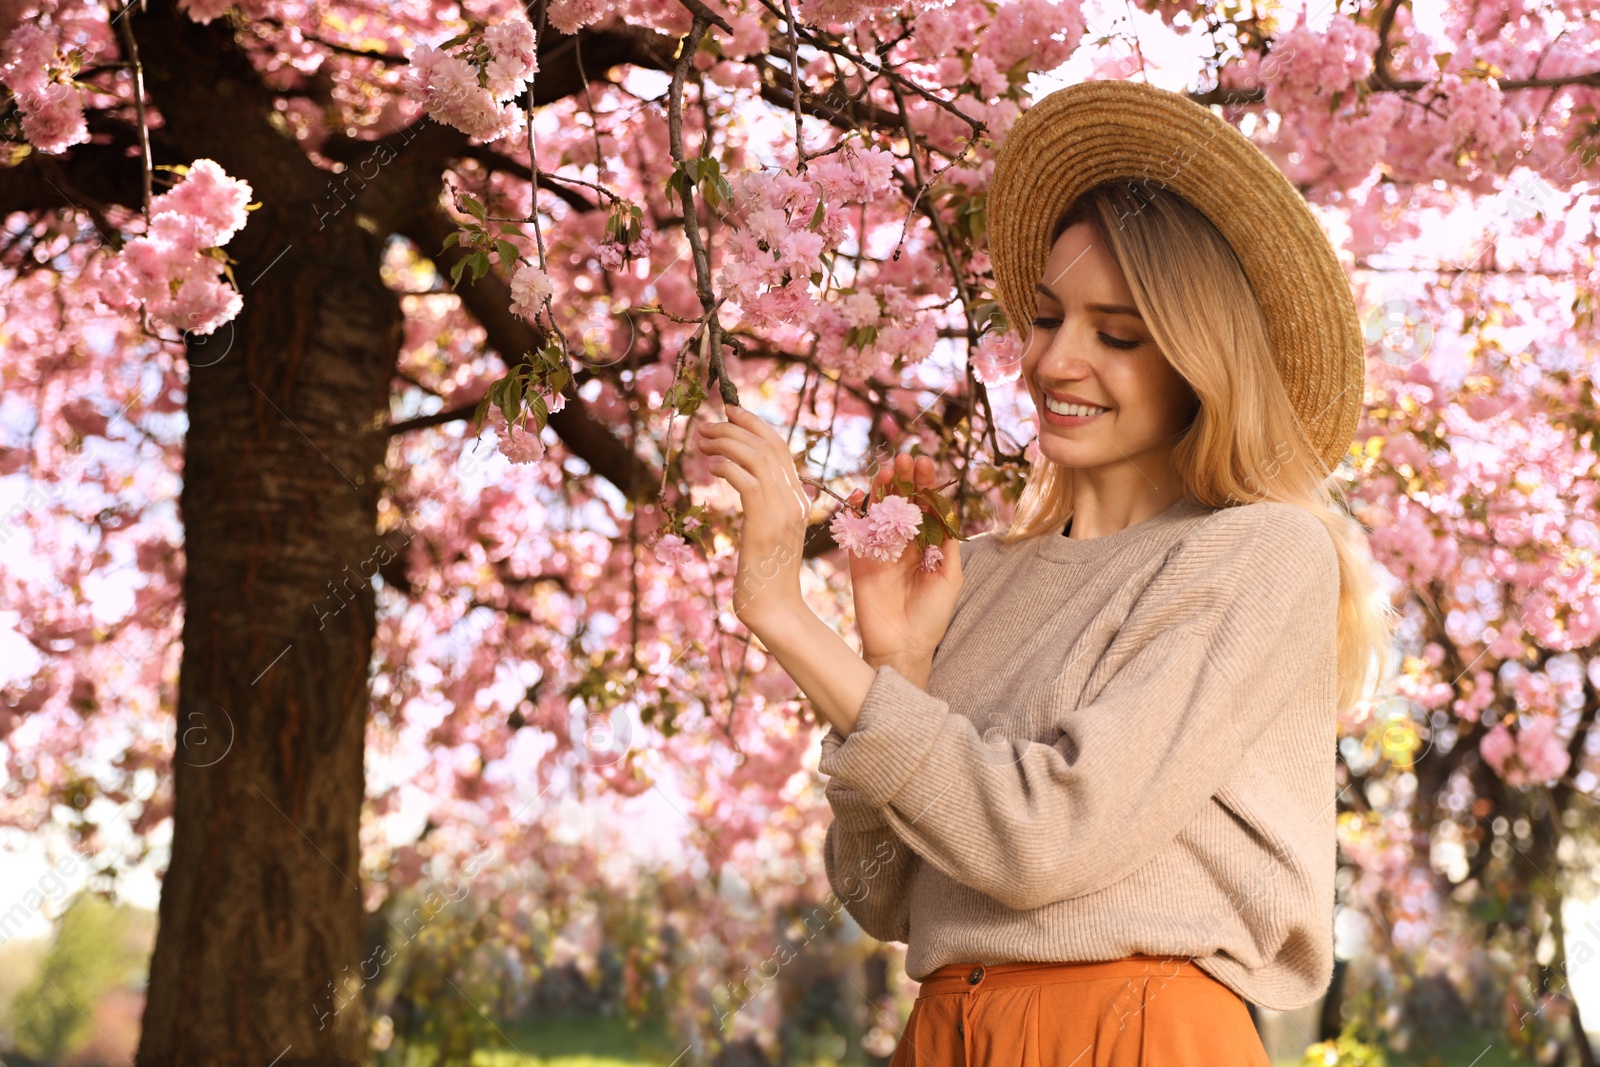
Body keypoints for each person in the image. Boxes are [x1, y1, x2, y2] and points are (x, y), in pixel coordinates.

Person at [694, 78, 1398, 1065]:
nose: (1056, 361)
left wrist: (783, 611)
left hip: (1135, 1034)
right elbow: (882, 893)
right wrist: (898, 659)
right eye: (1042, 318)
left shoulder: (1257, 550)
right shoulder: (976, 574)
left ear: (1199, 358)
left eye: (1115, 333)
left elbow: (1041, 840)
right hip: (947, 1030)